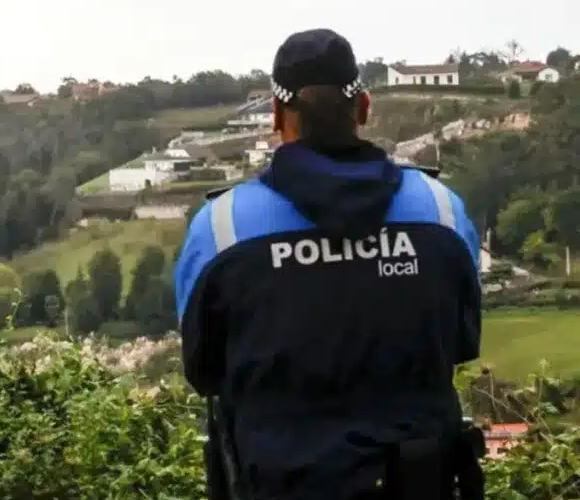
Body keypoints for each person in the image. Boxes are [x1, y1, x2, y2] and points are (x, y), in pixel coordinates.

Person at [173, 29, 484, 500]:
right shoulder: (441, 210)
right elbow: (460, 343)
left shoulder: (219, 228)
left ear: (277, 116)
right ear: (363, 108)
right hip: (423, 479)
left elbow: (204, 372)